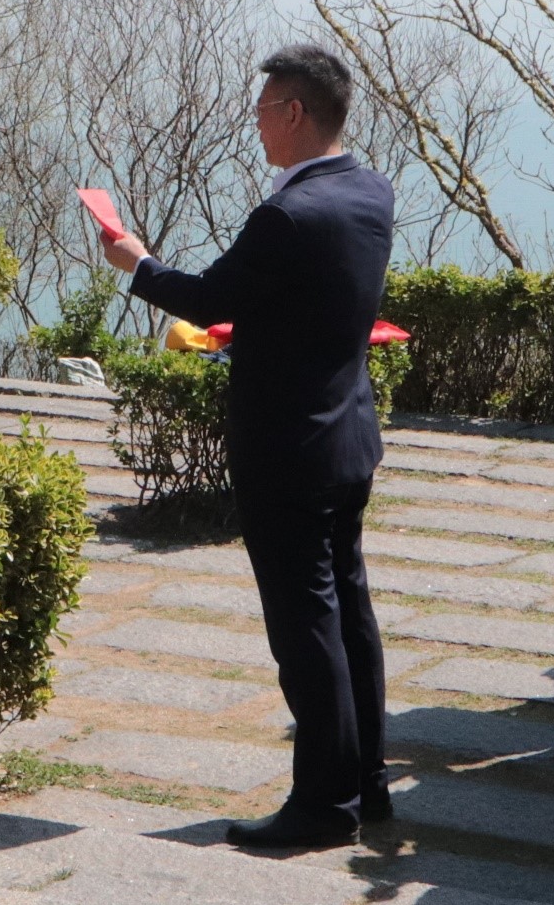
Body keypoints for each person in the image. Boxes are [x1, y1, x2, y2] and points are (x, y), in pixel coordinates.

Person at [103, 44, 396, 848]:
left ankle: (323, 805)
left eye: (263, 109)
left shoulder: (288, 213)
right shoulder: (368, 189)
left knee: (305, 627)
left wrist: (137, 263)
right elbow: (292, 302)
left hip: (287, 447)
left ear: (294, 112)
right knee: (348, 612)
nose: (256, 123)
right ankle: (366, 782)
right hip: (346, 433)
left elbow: (210, 299)